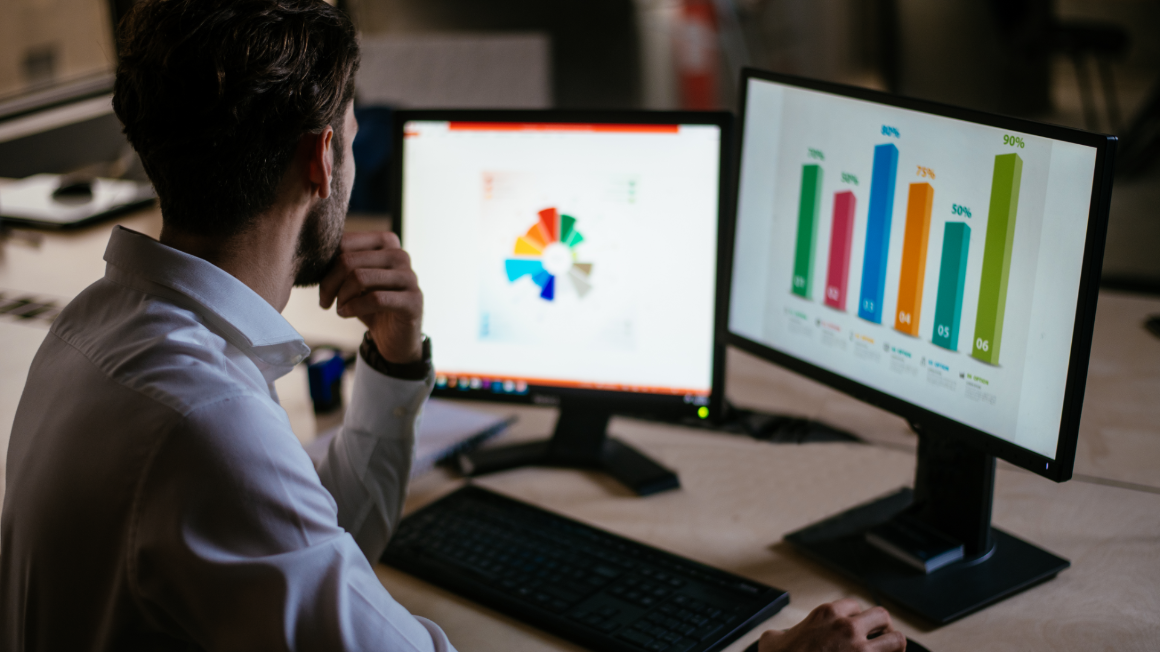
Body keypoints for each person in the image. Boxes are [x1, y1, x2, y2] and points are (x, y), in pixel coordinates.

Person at [0, 1, 906, 651]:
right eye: (352, 132)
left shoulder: (99, 328)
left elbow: (319, 546)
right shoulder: (207, 424)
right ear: (322, 157)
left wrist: (394, 364)